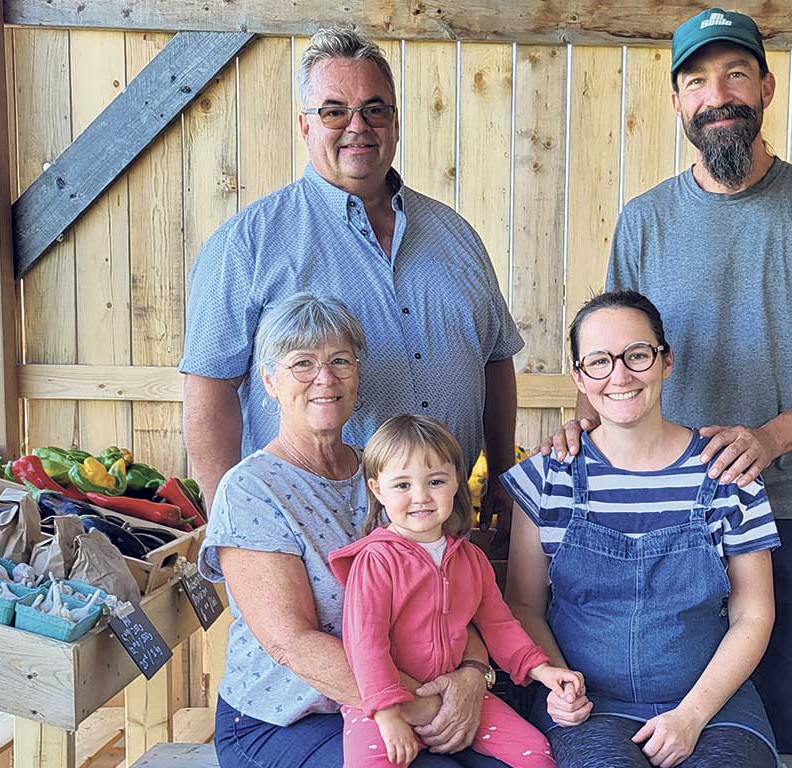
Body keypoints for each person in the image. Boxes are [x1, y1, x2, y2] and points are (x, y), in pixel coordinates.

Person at [545, 9, 792, 754]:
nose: (717, 94)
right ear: (679, 103)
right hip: (671, 518)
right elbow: (612, 349)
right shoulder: (645, 220)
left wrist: (767, 439)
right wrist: (584, 424)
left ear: (765, 87)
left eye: (736, 74)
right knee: (671, 724)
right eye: (697, 81)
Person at [181, 24, 521, 532]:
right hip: (316, 531)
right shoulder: (246, 244)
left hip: (445, 523)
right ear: (305, 127)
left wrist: (501, 473)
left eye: (374, 109)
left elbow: (495, 360)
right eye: (334, 111)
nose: (357, 125)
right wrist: (232, 526)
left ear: (396, 122)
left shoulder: (457, 235)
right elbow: (208, 393)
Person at [200, 294, 510, 768]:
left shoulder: (389, 474)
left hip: (409, 698)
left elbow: (448, 588)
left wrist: (472, 674)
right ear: (269, 380)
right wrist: (421, 707)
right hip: (291, 718)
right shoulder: (251, 489)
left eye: (340, 360)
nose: (325, 378)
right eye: (302, 363)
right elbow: (291, 643)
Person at [504, 291, 782, 768]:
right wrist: (558, 683)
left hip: (713, 705)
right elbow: (525, 604)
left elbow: (754, 615)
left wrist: (691, 715)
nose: (620, 375)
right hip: (589, 708)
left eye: (637, 355)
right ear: (579, 376)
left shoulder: (727, 473)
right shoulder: (547, 475)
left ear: (665, 361)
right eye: (599, 361)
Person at [329, 415, 582, 768]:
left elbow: (500, 625)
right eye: (402, 485)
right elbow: (365, 644)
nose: (421, 497)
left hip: (453, 692)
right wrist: (387, 715)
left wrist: (541, 669)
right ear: (376, 489)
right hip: (381, 701)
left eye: (435, 481)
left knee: (535, 753)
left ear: (455, 483)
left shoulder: (471, 559)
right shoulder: (376, 561)